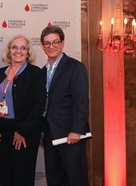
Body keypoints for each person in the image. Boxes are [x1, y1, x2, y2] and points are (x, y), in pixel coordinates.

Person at [0, 35, 45, 186]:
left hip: (25, 134)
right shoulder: (0, 73)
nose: (18, 51)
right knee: (6, 176)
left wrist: (22, 131)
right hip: (3, 132)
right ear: (9, 51)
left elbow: (38, 106)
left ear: (28, 52)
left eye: (23, 48)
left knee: (22, 177)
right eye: (14, 47)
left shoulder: (35, 73)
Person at [40, 25, 90, 186]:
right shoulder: (42, 72)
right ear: (42, 46)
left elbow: (81, 101)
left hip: (71, 135)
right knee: (54, 180)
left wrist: (76, 130)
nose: (51, 46)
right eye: (47, 43)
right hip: (49, 134)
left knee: (75, 179)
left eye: (55, 42)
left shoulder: (75, 67)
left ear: (62, 44)